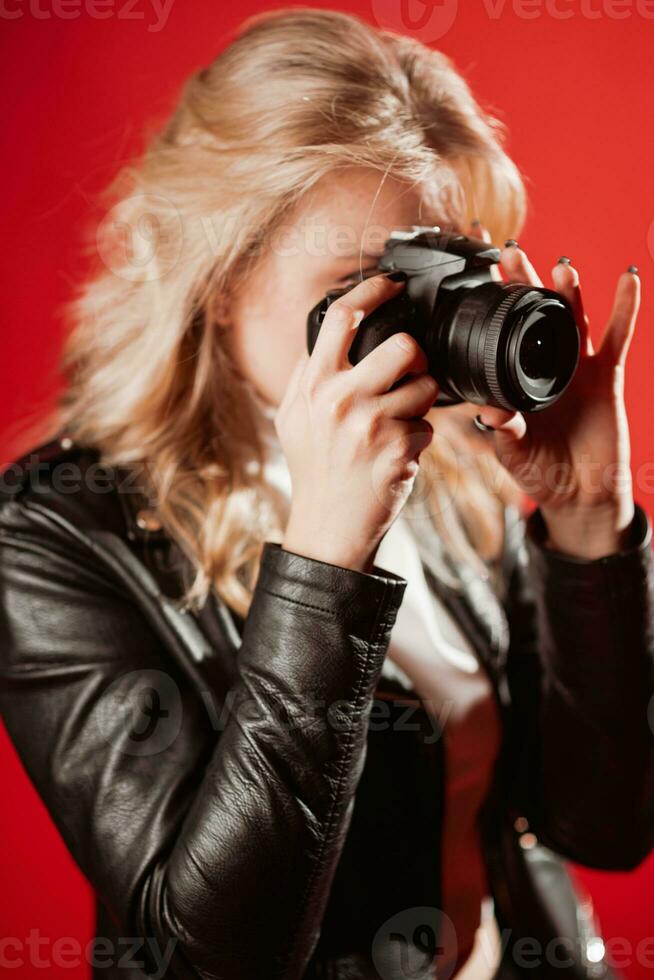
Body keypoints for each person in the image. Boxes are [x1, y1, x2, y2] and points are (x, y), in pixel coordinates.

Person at [1, 8, 652, 980]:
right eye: (375, 287)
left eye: (448, 275)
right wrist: (323, 559)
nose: (423, 332)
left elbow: (603, 822)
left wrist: (591, 518)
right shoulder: (55, 529)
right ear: (216, 281)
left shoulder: (452, 466)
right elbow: (210, 955)